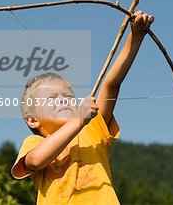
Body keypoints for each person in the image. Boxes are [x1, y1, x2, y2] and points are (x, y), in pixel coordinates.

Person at [11, 11, 154, 204]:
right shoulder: (34, 143)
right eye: (52, 98)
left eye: (68, 96)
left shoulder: (92, 128)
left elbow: (111, 84)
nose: (63, 100)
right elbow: (35, 161)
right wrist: (79, 120)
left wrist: (135, 37)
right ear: (33, 119)